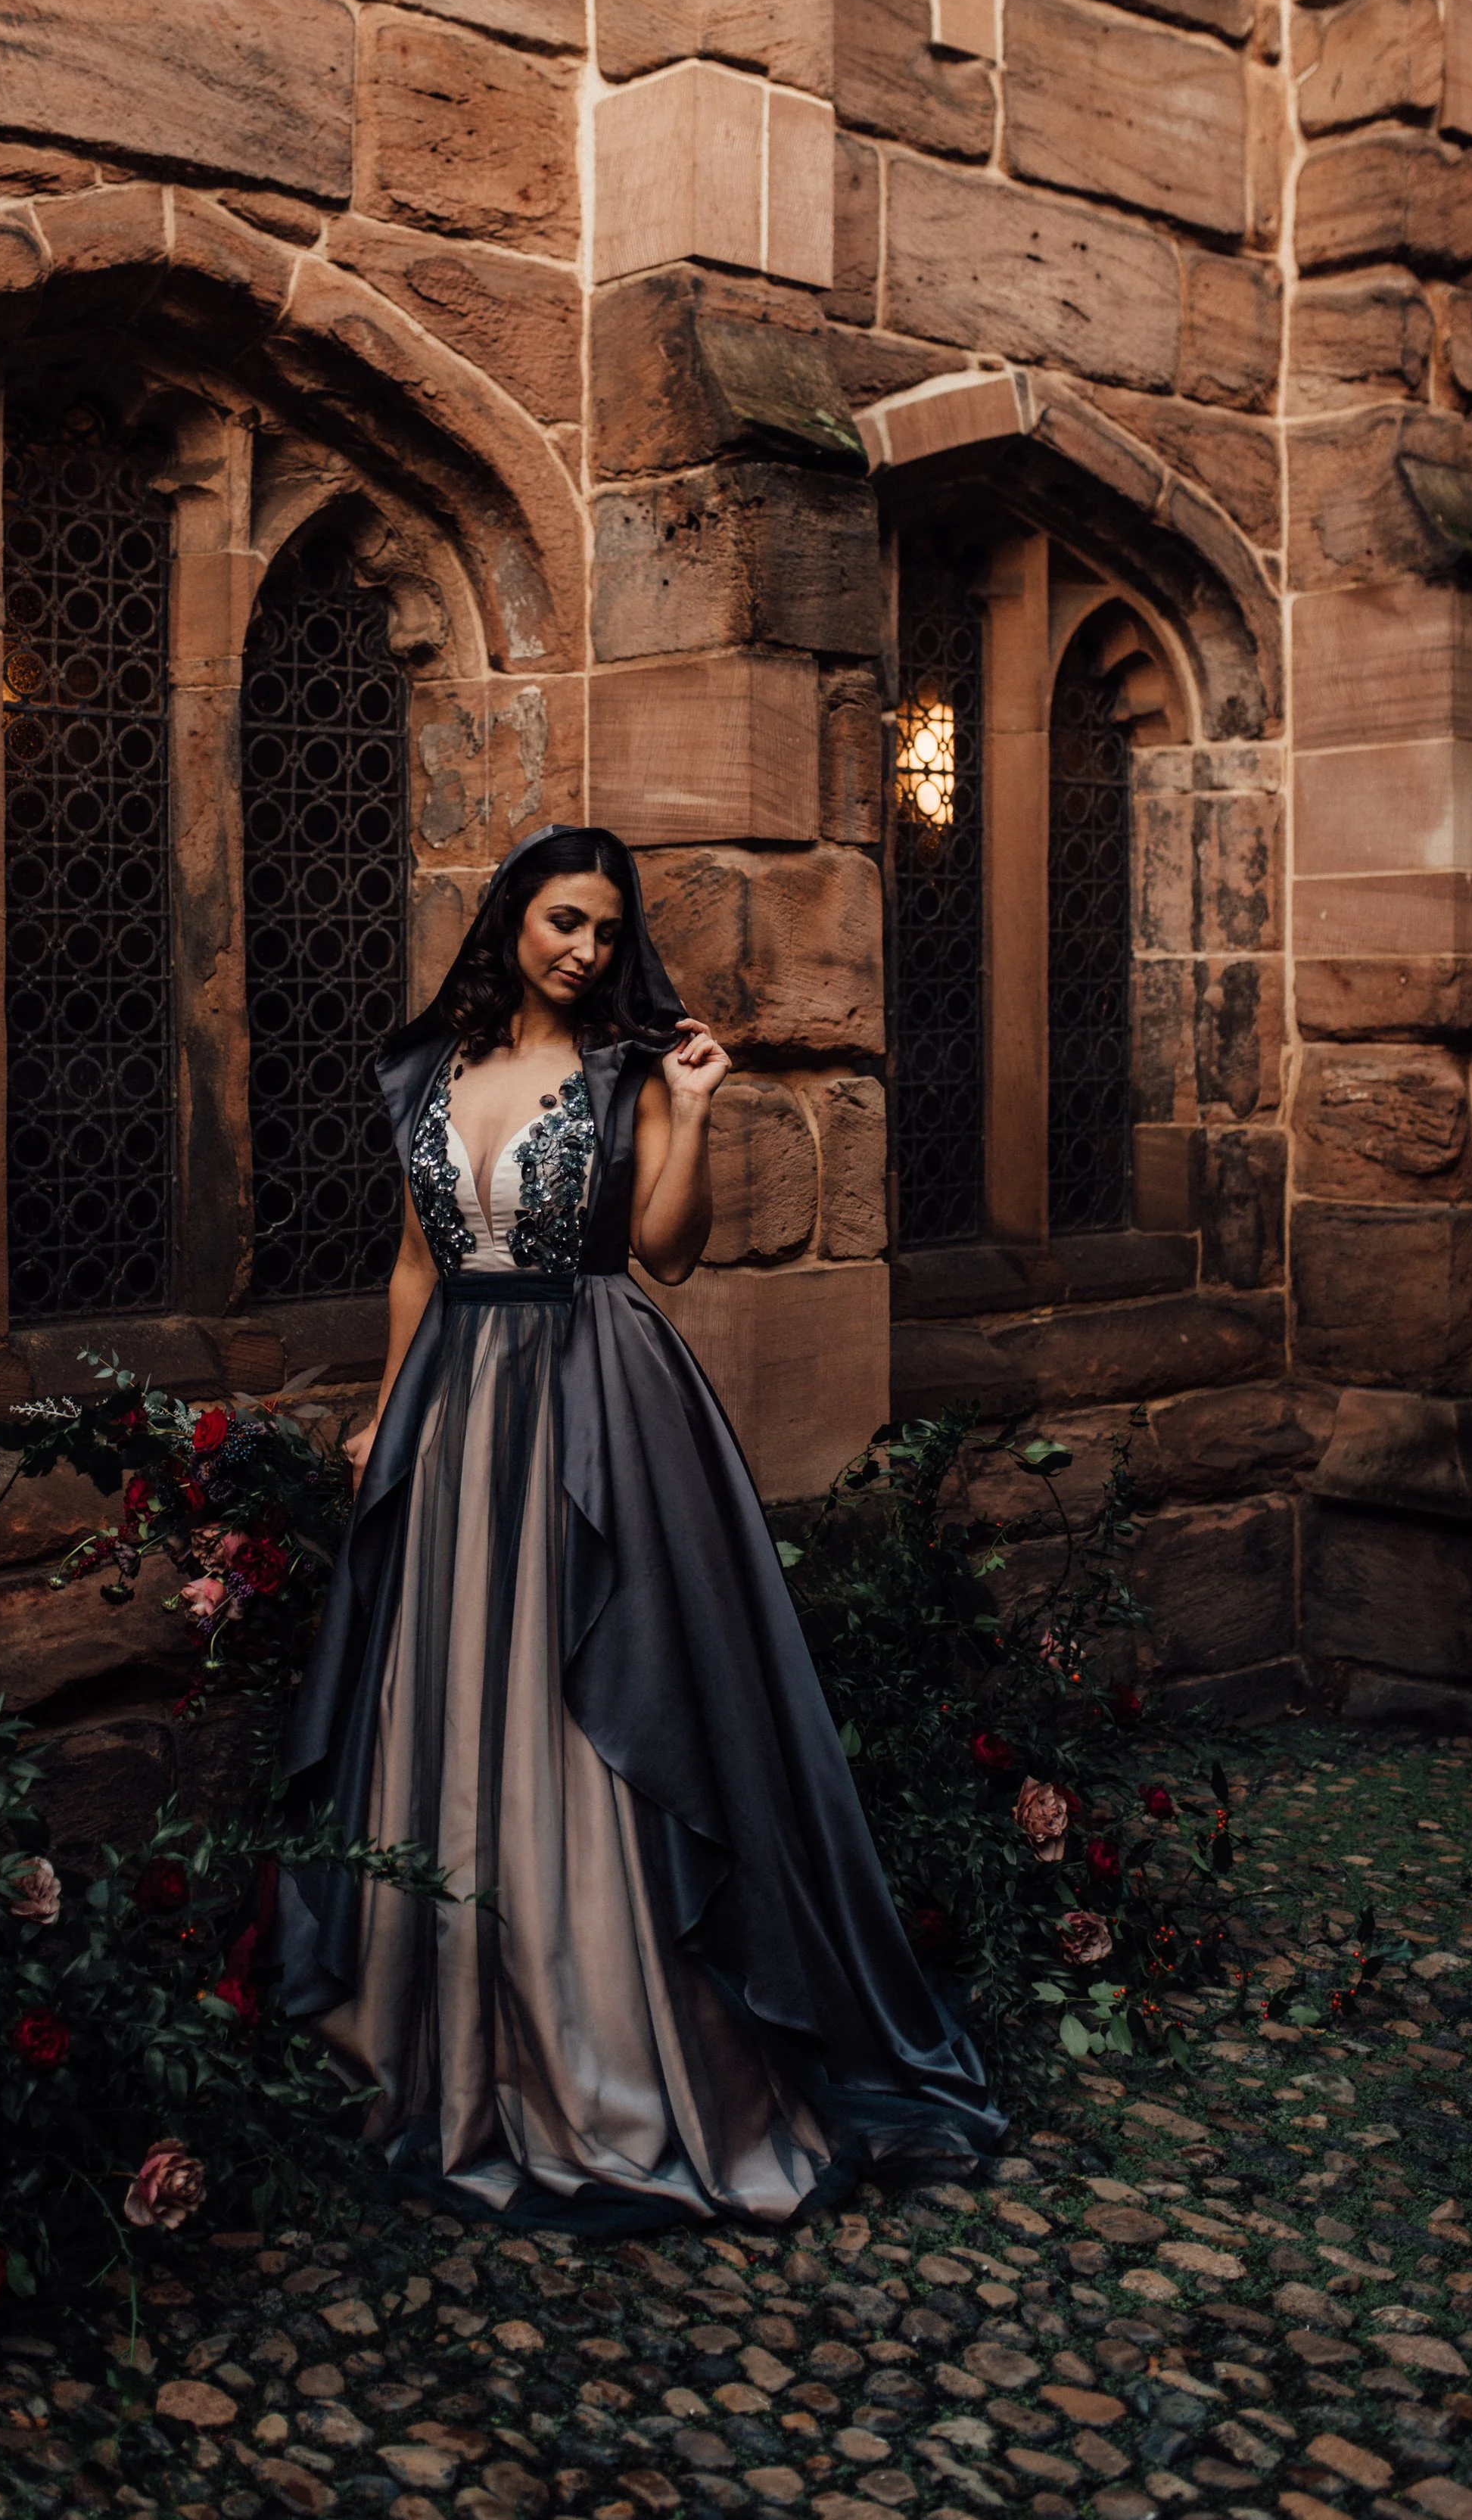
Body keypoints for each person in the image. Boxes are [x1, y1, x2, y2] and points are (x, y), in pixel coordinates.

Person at [279, 825, 1003, 2229]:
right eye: (563, 922)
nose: (586, 952)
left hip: (589, 1394)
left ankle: (607, 2049)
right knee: (452, 1695)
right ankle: (447, 2039)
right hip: (455, 1402)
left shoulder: (632, 1072)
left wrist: (699, 1106)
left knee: (584, 1687)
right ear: (508, 922)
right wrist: (384, 1419)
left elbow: (667, 1252)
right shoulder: (432, 1071)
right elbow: (418, 1260)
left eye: (606, 933)